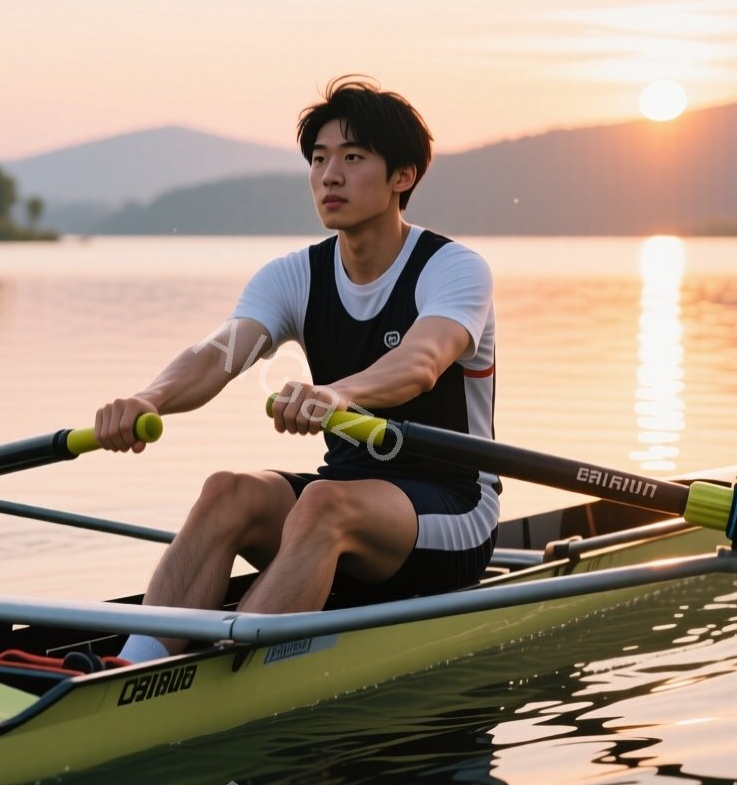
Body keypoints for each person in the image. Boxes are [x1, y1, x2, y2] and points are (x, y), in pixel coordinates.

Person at [95, 76, 498, 663]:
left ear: (402, 177)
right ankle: (134, 665)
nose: (329, 175)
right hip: (346, 505)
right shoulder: (294, 275)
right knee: (226, 492)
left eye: (353, 158)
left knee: (324, 504)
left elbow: (421, 364)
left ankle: (240, 671)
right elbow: (218, 355)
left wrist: (336, 394)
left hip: (453, 508)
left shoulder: (454, 268)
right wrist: (148, 398)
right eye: (318, 159)